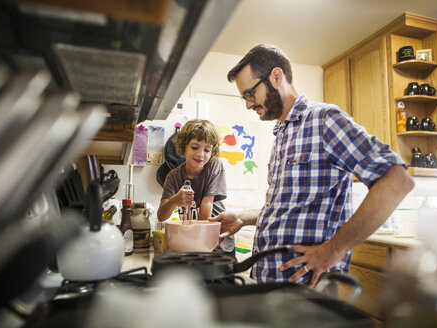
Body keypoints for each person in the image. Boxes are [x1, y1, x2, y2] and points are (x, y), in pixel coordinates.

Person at [210, 44, 414, 286]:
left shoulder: (325, 120)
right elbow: (291, 208)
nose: (247, 104)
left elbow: (397, 181)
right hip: (270, 281)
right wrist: (243, 217)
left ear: (276, 77)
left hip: (307, 288)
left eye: (249, 94)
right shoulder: (282, 133)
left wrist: (333, 251)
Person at [157, 119, 234, 254]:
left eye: (207, 150)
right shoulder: (173, 176)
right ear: (184, 146)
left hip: (217, 241)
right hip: (193, 241)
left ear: (212, 151)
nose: (200, 154)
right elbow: (161, 216)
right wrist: (175, 200)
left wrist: (202, 240)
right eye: (194, 147)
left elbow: (207, 204)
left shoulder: (214, 166)